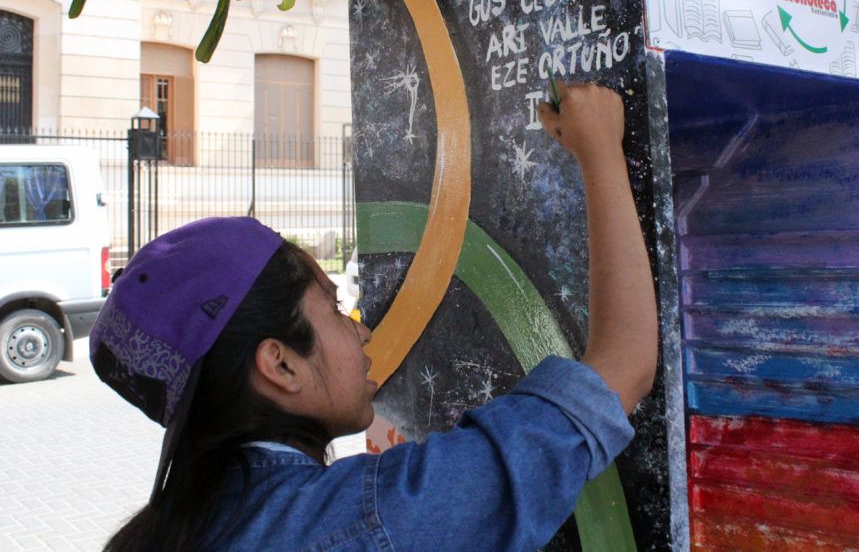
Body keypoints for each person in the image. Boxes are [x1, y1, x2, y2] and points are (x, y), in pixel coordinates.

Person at [91, 82, 658, 551]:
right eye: (335, 309)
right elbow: (623, 365)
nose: (361, 328)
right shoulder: (377, 520)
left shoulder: (162, 534)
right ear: (280, 365)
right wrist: (600, 150)